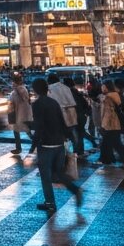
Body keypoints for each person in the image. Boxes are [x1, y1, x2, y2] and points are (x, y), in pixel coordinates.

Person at [31, 77, 82, 214]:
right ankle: (75, 190)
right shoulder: (54, 103)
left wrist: (32, 147)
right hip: (59, 143)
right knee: (58, 173)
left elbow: (39, 127)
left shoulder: (37, 104)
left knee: (46, 176)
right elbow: (62, 122)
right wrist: (69, 138)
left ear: (35, 90)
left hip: (46, 145)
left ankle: (50, 203)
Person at [8, 74, 33, 155]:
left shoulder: (21, 89)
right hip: (18, 113)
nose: (12, 84)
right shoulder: (17, 90)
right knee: (17, 131)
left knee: (27, 131)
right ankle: (18, 148)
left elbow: (24, 98)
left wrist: (16, 88)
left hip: (22, 114)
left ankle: (37, 144)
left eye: (13, 82)